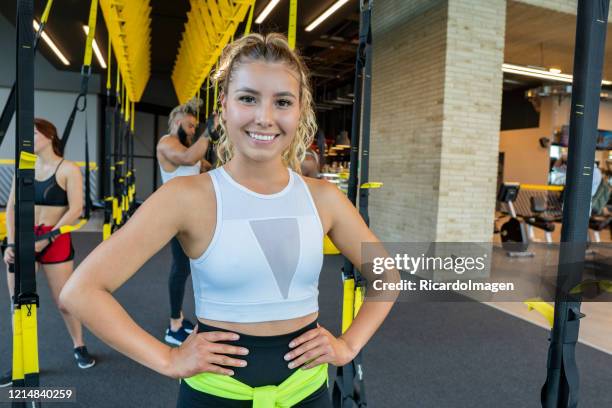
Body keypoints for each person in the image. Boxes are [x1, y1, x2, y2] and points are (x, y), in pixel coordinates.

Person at [61, 33, 399, 407]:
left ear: (300, 110)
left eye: (282, 102)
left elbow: (386, 276)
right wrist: (168, 358)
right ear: (223, 106)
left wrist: (348, 345)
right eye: (248, 98)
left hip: (307, 395)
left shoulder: (324, 199)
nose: (264, 117)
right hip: (215, 396)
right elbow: (81, 291)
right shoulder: (187, 198)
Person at [1, 118, 95, 387]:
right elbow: (11, 207)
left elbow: (76, 209)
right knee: (18, 304)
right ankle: (23, 360)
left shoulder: (68, 169)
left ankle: (79, 345)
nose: (27, 137)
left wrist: (47, 238)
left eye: (33, 132)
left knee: (65, 301)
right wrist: (10, 243)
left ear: (48, 135)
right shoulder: (25, 165)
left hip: (55, 237)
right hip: (23, 238)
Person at [156, 98, 214, 345]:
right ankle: (174, 326)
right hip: (176, 218)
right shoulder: (168, 143)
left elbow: (204, 164)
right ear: (178, 122)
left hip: (194, 218)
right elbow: (191, 158)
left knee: (192, 268)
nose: (193, 131)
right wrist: (209, 132)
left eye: (195, 128)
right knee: (181, 269)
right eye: (190, 126)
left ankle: (179, 317)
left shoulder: (184, 148)